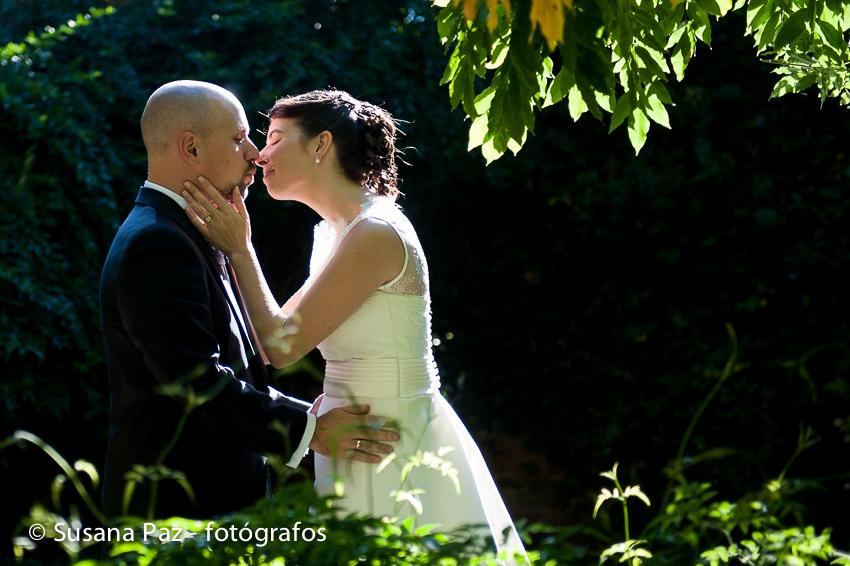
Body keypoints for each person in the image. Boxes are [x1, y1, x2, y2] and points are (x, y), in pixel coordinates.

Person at [182, 89, 528, 562]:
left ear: (321, 144)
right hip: (353, 436)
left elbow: (282, 346)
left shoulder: (375, 232)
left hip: (392, 443)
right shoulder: (335, 232)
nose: (260, 155)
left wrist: (240, 250)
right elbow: (272, 341)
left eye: (277, 137)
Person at [99, 81, 398, 520]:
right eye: (239, 138)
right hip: (177, 515)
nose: (254, 153)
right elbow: (199, 384)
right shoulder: (157, 244)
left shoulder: (187, 229)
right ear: (191, 148)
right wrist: (310, 429)